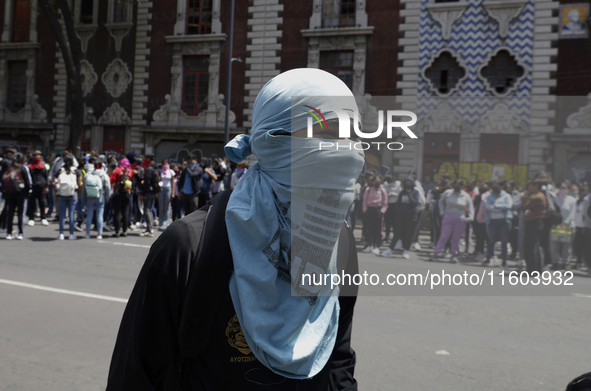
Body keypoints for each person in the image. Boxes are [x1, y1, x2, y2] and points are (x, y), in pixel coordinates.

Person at [106, 68, 361, 390]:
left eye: (353, 136)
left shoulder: (339, 241)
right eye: (328, 133)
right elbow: (136, 375)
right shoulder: (188, 245)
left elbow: (338, 355)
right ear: (272, 140)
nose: (349, 150)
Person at [430, 179, 475, 264]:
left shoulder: (465, 196)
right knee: (444, 236)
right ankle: (436, 252)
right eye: (455, 185)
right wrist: (442, 212)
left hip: (460, 219)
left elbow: (470, 207)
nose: (456, 187)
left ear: (462, 186)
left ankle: (454, 254)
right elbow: (441, 202)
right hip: (448, 217)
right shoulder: (448, 193)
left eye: (459, 185)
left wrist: (470, 217)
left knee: (456, 238)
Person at [381, 176, 421, 259]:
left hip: (411, 216)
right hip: (401, 215)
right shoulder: (402, 192)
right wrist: (398, 212)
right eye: (406, 183)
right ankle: (390, 249)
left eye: (410, 183)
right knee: (397, 233)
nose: (408, 185)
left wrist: (409, 194)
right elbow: (398, 203)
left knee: (408, 234)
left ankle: (406, 250)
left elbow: (415, 203)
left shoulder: (415, 193)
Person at [484, 181, 513, 268]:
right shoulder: (489, 196)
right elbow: (488, 207)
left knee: (504, 241)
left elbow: (508, 206)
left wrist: (495, 205)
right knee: (491, 240)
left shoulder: (507, 196)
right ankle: (488, 258)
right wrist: (500, 207)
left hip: (504, 221)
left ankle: (504, 261)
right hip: (492, 221)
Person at [521, 180, 547, 274]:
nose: (528, 188)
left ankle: (531, 268)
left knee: (530, 246)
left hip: (533, 222)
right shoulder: (538, 195)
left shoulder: (536, 197)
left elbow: (524, 207)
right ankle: (537, 268)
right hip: (535, 222)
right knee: (534, 246)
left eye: (530, 185)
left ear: (536, 186)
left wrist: (524, 197)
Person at [3, 153, 30, 239]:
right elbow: (27, 182)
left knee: (10, 213)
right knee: (20, 214)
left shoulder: (9, 169)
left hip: (10, 194)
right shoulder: (22, 168)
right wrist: (27, 192)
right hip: (21, 193)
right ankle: (20, 233)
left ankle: (9, 233)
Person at [549, 182, 576, 270]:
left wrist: (566, 222)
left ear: (568, 189)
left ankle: (565, 262)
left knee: (566, 246)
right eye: (561, 188)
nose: (563, 190)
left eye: (565, 188)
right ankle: (555, 262)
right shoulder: (554, 198)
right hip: (555, 226)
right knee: (554, 245)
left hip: (568, 226)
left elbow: (573, 212)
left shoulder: (571, 199)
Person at [55, 155, 82, 240]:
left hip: (61, 194)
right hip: (72, 194)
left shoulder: (59, 171)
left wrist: (56, 193)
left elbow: (55, 183)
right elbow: (79, 184)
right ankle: (71, 234)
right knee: (71, 214)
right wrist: (78, 193)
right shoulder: (76, 171)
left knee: (62, 215)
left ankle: (61, 234)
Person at [83, 160, 111, 240]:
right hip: (100, 196)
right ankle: (99, 233)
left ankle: (87, 233)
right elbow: (108, 188)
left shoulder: (88, 174)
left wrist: (84, 198)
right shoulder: (104, 175)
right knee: (99, 215)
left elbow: (84, 188)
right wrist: (107, 198)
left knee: (89, 214)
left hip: (89, 197)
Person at [361, 175, 388, 255]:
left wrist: (382, 211)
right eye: (376, 181)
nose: (377, 183)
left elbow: (385, 202)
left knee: (378, 229)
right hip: (370, 210)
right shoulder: (368, 189)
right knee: (369, 228)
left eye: (379, 182)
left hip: (378, 210)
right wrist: (365, 210)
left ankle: (377, 246)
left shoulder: (382, 190)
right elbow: (364, 200)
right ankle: (369, 245)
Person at [110, 158, 134, 238]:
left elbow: (112, 180)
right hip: (127, 193)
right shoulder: (131, 171)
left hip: (118, 193)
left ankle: (117, 231)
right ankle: (125, 231)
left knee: (117, 212)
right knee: (126, 212)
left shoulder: (117, 170)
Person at [27, 151, 49, 226]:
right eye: (35, 156)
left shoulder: (43, 166)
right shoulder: (29, 166)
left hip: (42, 187)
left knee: (42, 203)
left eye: (38, 156)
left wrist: (46, 186)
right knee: (32, 204)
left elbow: (46, 176)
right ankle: (31, 218)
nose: (37, 157)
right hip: (32, 187)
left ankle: (43, 218)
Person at [140, 160, 160, 237]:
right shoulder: (156, 168)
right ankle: (150, 227)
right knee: (150, 209)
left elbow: (147, 182)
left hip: (148, 192)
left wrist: (143, 193)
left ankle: (149, 228)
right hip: (153, 192)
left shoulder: (149, 169)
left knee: (147, 209)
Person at [0, 148, 17, 232]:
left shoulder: (4, 161)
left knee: (7, 206)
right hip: (7, 187)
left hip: (5, 187)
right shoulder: (7, 162)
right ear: (9, 153)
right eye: (13, 154)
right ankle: (4, 225)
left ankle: (3, 224)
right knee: (8, 207)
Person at [573, 184, 589, 269]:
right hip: (578, 226)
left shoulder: (587, 201)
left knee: (586, 245)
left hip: (586, 226)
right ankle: (578, 260)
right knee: (578, 244)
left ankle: (585, 261)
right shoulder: (577, 201)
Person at [382, 174, 401, 241]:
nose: (390, 183)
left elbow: (400, 194)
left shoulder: (398, 184)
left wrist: (393, 193)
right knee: (387, 222)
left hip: (395, 205)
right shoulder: (385, 184)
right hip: (387, 204)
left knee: (395, 222)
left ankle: (395, 237)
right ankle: (387, 236)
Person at [158, 159, 175, 230]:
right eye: (164, 164)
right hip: (161, 189)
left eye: (166, 163)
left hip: (168, 189)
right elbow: (158, 180)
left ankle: (166, 222)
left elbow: (173, 183)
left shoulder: (171, 171)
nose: (165, 165)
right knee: (161, 207)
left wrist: (173, 192)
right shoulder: (160, 171)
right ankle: (160, 222)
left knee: (167, 207)